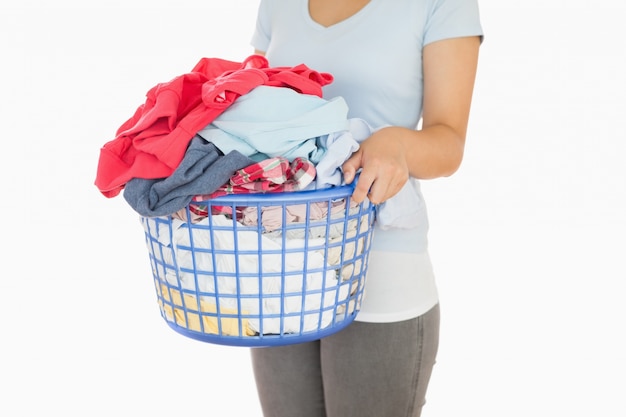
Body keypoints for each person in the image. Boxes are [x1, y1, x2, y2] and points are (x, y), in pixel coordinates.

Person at [248, 1, 483, 416]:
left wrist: (396, 142)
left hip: (382, 267)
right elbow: (256, 115)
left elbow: (449, 144)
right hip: (280, 269)